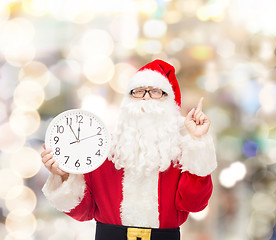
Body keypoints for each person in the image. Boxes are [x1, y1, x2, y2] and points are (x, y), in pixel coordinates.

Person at [41, 59, 217, 240]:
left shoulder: (180, 153)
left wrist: (197, 141)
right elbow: (83, 211)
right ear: (127, 101)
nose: (147, 97)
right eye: (139, 91)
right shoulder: (103, 150)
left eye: (156, 91)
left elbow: (194, 204)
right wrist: (63, 175)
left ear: (170, 102)